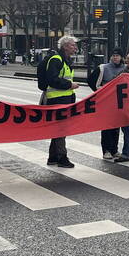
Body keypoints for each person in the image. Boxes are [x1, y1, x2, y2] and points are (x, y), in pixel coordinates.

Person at [41, 36, 81, 168]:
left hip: (64, 98)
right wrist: (70, 85)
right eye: (72, 45)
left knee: (58, 128)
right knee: (61, 129)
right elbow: (52, 79)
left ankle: (53, 157)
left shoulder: (65, 60)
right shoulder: (56, 60)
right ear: (65, 47)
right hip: (57, 99)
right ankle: (62, 157)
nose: (75, 47)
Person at [91, 49, 127, 160]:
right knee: (106, 126)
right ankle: (106, 150)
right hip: (106, 102)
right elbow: (91, 80)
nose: (115, 57)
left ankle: (114, 150)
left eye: (117, 56)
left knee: (116, 127)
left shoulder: (125, 69)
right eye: (114, 55)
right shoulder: (103, 68)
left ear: (121, 58)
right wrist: (101, 92)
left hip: (119, 102)